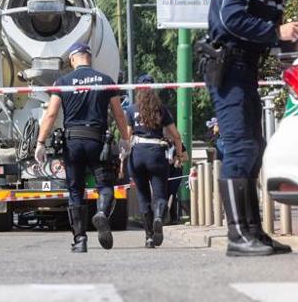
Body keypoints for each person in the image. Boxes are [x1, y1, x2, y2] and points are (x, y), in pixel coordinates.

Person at [203, 0, 298, 256]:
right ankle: (237, 236)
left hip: (247, 69)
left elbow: (266, 37)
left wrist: (292, 44)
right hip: (228, 68)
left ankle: (253, 231)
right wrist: (275, 31)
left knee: (254, 148)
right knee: (240, 146)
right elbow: (230, 19)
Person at [35, 42, 130, 253]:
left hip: (73, 142)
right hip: (98, 141)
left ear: (72, 59)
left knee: (75, 189)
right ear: (89, 57)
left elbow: (51, 114)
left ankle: (80, 240)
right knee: (104, 184)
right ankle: (102, 213)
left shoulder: (63, 82)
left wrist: (40, 142)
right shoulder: (106, 81)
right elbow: (119, 113)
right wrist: (125, 139)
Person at [126, 74, 186, 248]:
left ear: (138, 90)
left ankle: (149, 238)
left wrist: (124, 157)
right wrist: (179, 154)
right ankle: (159, 217)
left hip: (137, 154)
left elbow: (127, 136)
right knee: (160, 195)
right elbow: (176, 135)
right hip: (156, 154)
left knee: (143, 197)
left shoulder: (130, 110)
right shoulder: (162, 110)